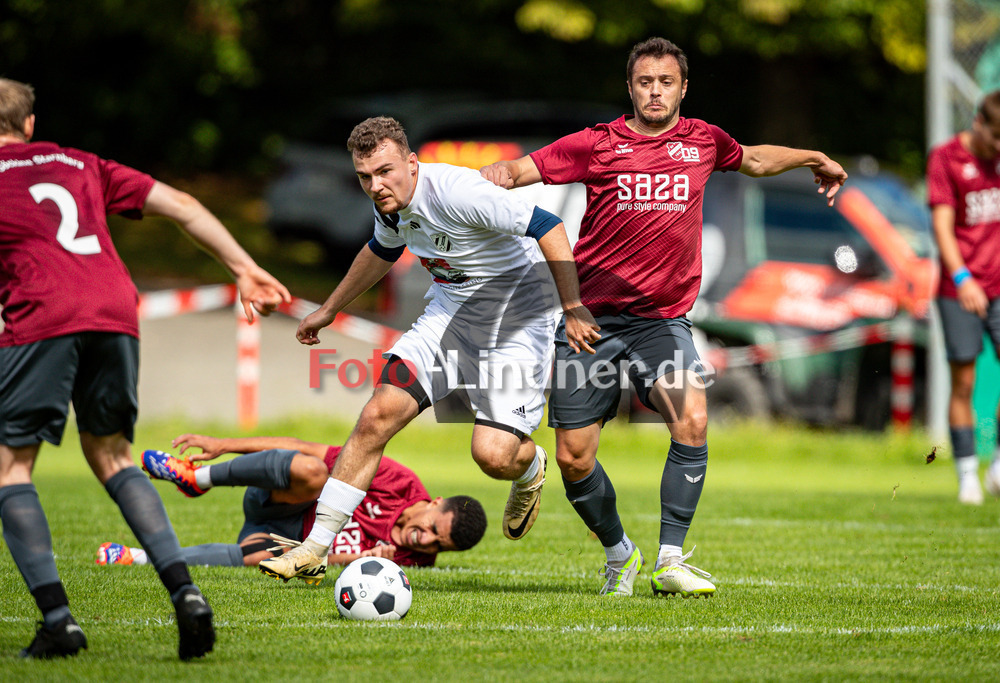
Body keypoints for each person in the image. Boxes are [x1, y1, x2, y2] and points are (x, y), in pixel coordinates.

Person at [480, 36, 847, 598]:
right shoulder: (595, 144)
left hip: (661, 323)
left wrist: (811, 157)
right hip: (589, 323)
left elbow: (751, 158)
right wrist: (465, 184)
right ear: (630, 88)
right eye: (645, 82)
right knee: (575, 458)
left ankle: (671, 558)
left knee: (692, 416)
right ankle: (619, 554)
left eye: (666, 82)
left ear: (682, 88)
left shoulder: (702, 140)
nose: (655, 91)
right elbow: (517, 171)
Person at [0, 77, 291, 659]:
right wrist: (244, 267)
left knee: (10, 469)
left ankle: (59, 620)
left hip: (43, 311)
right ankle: (185, 593)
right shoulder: (82, 162)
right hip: (114, 307)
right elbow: (182, 205)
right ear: (30, 124)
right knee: (112, 457)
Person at [257, 115, 600, 583]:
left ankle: (529, 466)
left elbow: (548, 225)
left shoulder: (459, 192)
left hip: (516, 321)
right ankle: (315, 549)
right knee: (377, 415)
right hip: (447, 319)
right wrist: (330, 308)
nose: (375, 185)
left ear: (412, 163)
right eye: (364, 177)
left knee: (494, 456)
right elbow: (381, 249)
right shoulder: (390, 204)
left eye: (384, 172)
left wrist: (573, 306)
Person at [95, 432, 487, 573]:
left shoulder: (413, 561)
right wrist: (223, 445)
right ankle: (198, 479)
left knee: (259, 558)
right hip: (283, 500)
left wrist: (355, 563)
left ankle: (138, 557)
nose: (426, 541)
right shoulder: (397, 481)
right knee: (315, 471)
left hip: (284, 543)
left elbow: (313, 566)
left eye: (439, 545)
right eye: (434, 528)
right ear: (433, 502)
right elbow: (301, 448)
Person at [927, 90, 1000, 506]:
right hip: (959, 287)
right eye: (997, 136)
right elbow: (942, 226)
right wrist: (963, 277)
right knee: (963, 381)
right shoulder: (946, 159)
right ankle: (968, 474)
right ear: (978, 121)